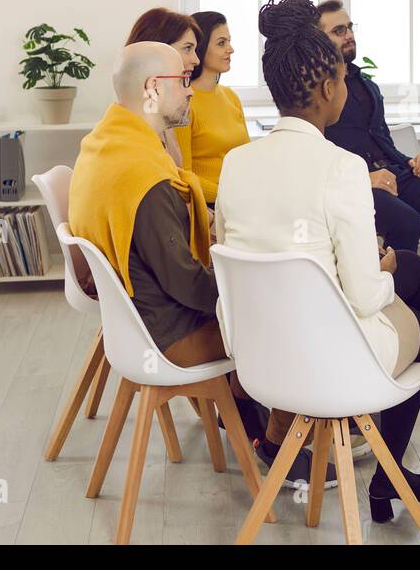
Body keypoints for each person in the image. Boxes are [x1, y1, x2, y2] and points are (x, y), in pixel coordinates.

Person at [215, 0, 420, 522]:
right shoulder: (340, 167)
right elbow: (365, 297)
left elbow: (240, 257)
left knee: (402, 275)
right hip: (331, 363)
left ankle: (379, 471)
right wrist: (380, 269)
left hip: (258, 360)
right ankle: (389, 478)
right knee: (409, 298)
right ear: (327, 89)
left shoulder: (236, 164)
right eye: (343, 79)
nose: (347, 86)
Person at [67, 41, 330, 487]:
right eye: (182, 81)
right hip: (168, 336)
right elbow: (188, 286)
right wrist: (255, 286)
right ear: (153, 88)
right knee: (295, 318)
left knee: (275, 303)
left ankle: (278, 426)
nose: (191, 90)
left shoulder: (103, 145)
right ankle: (282, 446)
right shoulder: (146, 179)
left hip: (132, 323)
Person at [315, 0, 420, 289]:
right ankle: (401, 300)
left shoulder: (366, 84)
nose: (349, 35)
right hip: (359, 182)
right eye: (339, 30)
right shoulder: (318, 91)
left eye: (350, 28)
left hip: (397, 172)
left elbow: (381, 139)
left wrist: (410, 160)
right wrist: (365, 178)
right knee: (407, 221)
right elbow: (317, 157)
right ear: (319, 40)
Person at [175, 10, 250, 204]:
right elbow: (183, 175)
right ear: (200, 49)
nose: (230, 49)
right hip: (208, 206)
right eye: (221, 43)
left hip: (241, 201)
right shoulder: (183, 102)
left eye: (229, 41)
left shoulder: (231, 97)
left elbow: (247, 158)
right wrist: (227, 197)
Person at [125, 8, 202, 170]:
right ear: (157, 50)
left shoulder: (163, 116)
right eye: (187, 48)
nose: (196, 60)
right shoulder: (134, 131)